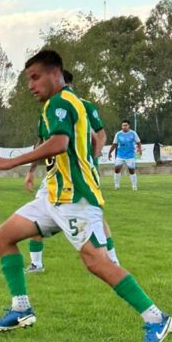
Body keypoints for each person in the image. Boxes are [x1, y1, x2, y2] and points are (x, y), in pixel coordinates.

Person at [0, 49, 172, 342]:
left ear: (54, 73)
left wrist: (12, 162)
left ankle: (156, 317)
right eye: (28, 80)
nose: (31, 86)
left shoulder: (60, 102)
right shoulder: (68, 103)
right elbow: (71, 143)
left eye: (35, 78)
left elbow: (59, 144)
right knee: (4, 237)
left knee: (96, 262)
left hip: (74, 197)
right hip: (54, 195)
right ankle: (21, 308)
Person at [24, 70, 120, 272]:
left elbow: (100, 136)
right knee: (35, 218)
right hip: (54, 176)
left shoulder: (83, 105)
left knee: (95, 217)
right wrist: (31, 170)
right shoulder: (48, 108)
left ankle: (112, 261)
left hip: (79, 176)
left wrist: (91, 161)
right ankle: (36, 263)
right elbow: (42, 143)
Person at [109, 120, 142, 190]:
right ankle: (117, 185)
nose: (124, 127)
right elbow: (114, 144)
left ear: (129, 126)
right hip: (120, 155)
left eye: (126, 125)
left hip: (130, 155)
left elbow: (138, 142)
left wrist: (140, 149)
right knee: (117, 170)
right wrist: (110, 152)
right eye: (123, 125)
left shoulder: (133, 133)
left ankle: (134, 186)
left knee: (131, 170)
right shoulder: (118, 134)